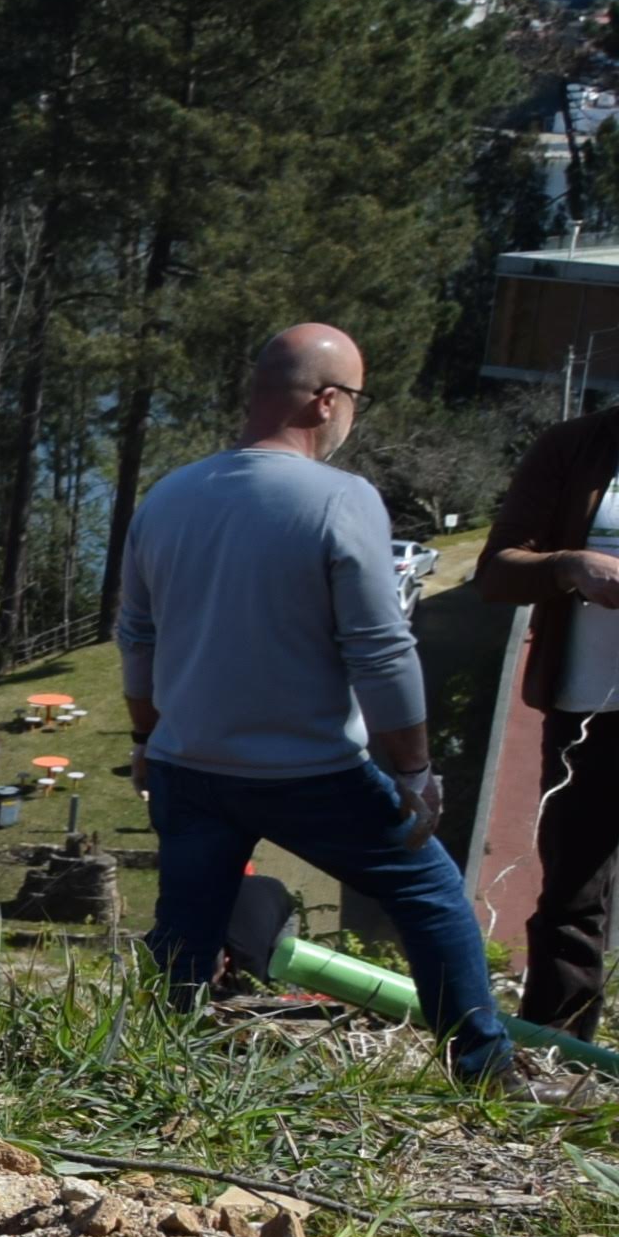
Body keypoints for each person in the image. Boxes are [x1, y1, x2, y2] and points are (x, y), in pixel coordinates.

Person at [116, 320, 507, 1083]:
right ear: (327, 400)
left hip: (189, 765)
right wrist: (414, 769)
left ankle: (152, 1070)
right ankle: (484, 1067)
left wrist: (145, 739)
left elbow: (138, 636)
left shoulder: (169, 496)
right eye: (357, 399)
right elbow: (381, 650)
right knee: (431, 895)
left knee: (186, 931)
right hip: (310, 770)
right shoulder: (341, 500)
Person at [472, 395, 619, 1035]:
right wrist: (570, 566)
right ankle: (558, 1059)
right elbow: (497, 571)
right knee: (572, 899)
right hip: (590, 713)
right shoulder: (574, 447)